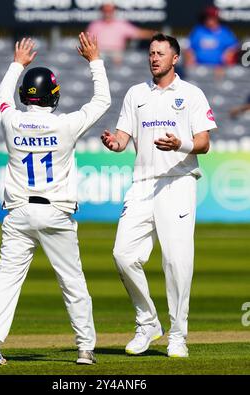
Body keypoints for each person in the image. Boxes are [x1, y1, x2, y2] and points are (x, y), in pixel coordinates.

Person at [0, 33, 111, 366]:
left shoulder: (11, 121)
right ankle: (84, 348)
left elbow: (0, 98)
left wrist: (16, 64)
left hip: (19, 213)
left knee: (6, 278)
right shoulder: (65, 125)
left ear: (26, 94)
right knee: (72, 281)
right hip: (56, 214)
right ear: (54, 95)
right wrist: (95, 60)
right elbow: (102, 101)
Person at [101, 33, 217, 358]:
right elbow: (124, 137)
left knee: (176, 262)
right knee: (123, 254)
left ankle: (178, 336)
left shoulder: (191, 94)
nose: (154, 58)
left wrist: (178, 143)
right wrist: (115, 143)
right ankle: (147, 322)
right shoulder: (136, 94)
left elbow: (204, 142)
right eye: (151, 53)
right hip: (142, 184)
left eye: (160, 53)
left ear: (175, 58)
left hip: (177, 182)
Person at [87, 2, 155, 65]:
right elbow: (87, 41)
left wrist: (156, 35)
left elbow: (138, 33)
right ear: (102, 11)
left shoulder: (121, 24)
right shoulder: (95, 25)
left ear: (114, 11)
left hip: (117, 54)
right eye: (105, 10)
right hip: (100, 54)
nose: (107, 13)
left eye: (110, 10)